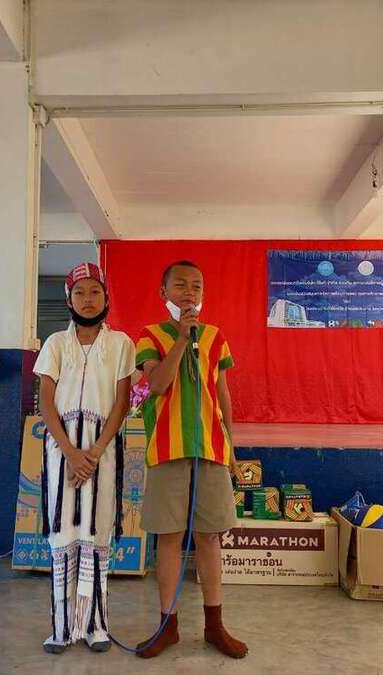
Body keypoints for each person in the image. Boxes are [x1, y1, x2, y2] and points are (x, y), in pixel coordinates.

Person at [134, 260, 248, 659]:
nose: (189, 292)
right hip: (167, 450)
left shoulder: (215, 337)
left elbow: (223, 394)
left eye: (196, 286)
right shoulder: (150, 335)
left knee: (209, 537)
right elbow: (157, 384)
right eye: (180, 285)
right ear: (163, 292)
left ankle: (215, 626)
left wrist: (230, 445)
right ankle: (168, 626)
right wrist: (182, 338)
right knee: (168, 537)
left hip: (212, 449)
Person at [34, 262, 135, 654]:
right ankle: (61, 628)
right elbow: (45, 403)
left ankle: (95, 626)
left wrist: (92, 452)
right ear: (69, 299)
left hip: (102, 453)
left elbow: (122, 403)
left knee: (96, 533)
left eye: (95, 292)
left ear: (106, 297)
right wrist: (71, 452)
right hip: (62, 453)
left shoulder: (121, 344)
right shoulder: (55, 344)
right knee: (63, 535)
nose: (88, 299)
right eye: (80, 293)